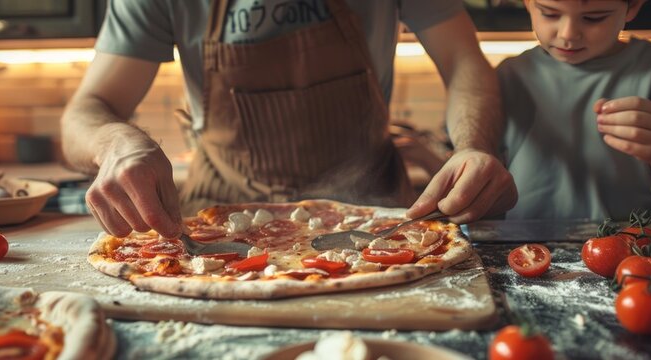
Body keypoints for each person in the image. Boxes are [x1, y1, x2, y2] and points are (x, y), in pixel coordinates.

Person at [61, 0, 517, 239]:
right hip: (212, 232)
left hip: (375, 228)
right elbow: (89, 107)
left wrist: (472, 145)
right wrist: (116, 143)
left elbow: (464, 61)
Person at [498, 0, 651, 220]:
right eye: (550, 14)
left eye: (594, 18)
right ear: (528, 3)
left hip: (632, 248)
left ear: (632, 7)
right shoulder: (508, 75)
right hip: (522, 250)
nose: (568, 34)